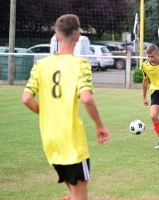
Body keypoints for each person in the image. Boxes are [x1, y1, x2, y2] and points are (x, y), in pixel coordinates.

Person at [22, 14, 110, 200]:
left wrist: (45, 112)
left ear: (56, 36)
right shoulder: (80, 65)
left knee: (72, 194)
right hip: (72, 142)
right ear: (78, 37)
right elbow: (86, 98)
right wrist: (100, 125)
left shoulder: (41, 65)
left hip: (50, 141)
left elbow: (26, 98)